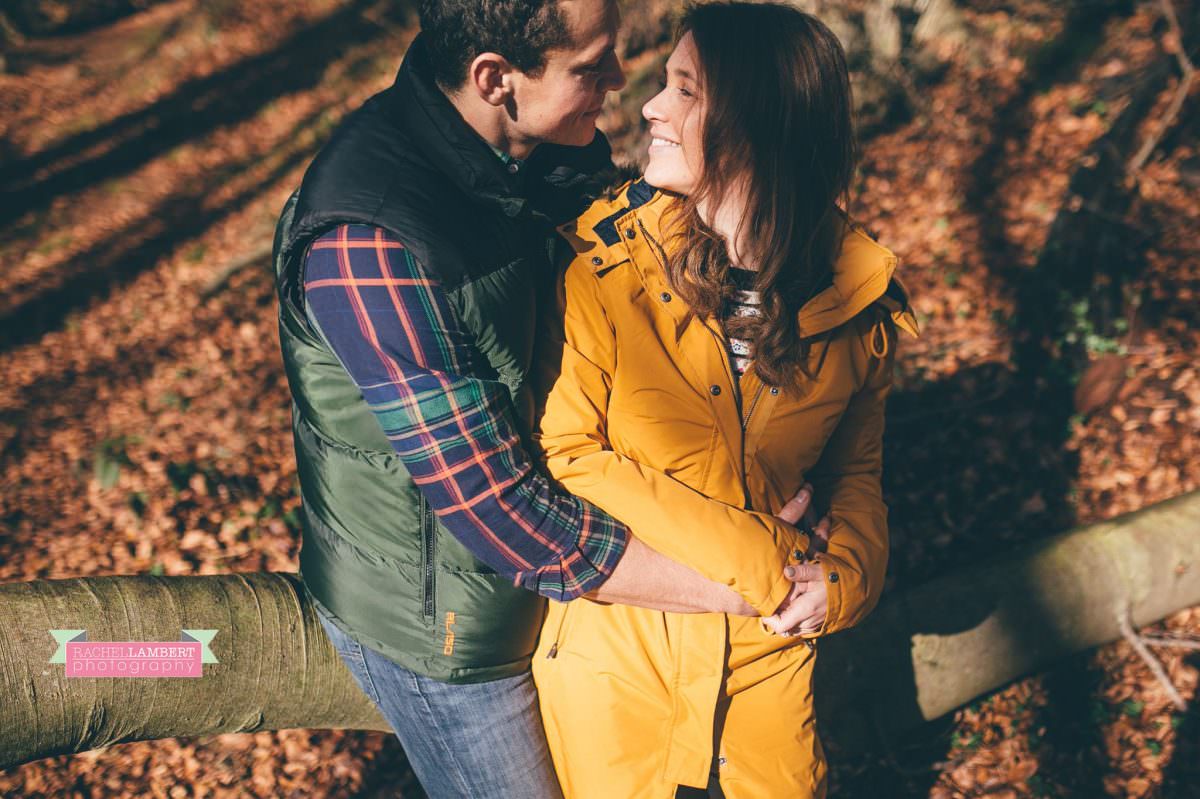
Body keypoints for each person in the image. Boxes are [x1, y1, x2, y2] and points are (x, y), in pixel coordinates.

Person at [271, 1, 825, 796]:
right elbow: (501, 512)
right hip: (448, 621)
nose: (620, 80)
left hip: (573, 569)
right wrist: (753, 579)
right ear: (494, 78)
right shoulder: (371, 238)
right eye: (590, 66)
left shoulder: (536, 154)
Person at [530, 3, 922, 797]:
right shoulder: (603, 266)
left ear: (755, 124)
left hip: (767, 675)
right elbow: (571, 457)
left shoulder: (858, 300)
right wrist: (768, 560)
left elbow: (858, 477)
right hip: (622, 677)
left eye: (684, 90)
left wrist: (844, 580)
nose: (650, 107)